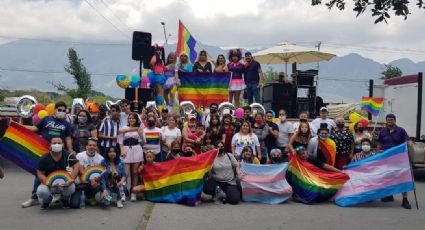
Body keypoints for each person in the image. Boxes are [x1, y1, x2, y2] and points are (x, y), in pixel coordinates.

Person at [22, 101, 74, 208]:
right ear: (54, 110)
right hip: (44, 151)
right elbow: (35, 129)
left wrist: (70, 150)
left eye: (64, 110)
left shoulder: (66, 124)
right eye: (59, 109)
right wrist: (20, 126)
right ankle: (34, 197)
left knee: (61, 173)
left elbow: (68, 138)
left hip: (60, 152)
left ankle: (61, 196)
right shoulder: (46, 119)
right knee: (39, 173)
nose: (62, 112)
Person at [377, 113, 411, 209]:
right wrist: (378, 152)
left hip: (399, 158)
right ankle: (389, 195)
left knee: (402, 178)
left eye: (391, 119)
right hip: (386, 158)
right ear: (386, 121)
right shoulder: (382, 131)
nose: (389, 121)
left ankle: (405, 200)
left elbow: (407, 140)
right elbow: (380, 143)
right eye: (388, 120)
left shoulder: (401, 130)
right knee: (388, 177)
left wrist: (410, 144)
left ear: (395, 120)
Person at [36, 137, 78, 210]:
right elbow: (40, 174)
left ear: (63, 145)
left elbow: (76, 166)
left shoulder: (69, 155)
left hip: (65, 183)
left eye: (59, 143)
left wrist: (71, 179)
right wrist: (48, 183)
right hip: (49, 184)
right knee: (41, 191)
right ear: (50, 145)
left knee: (71, 188)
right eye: (54, 143)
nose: (57, 145)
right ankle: (47, 200)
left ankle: (64, 199)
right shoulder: (44, 158)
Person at [70, 138, 104, 208]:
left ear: (97, 147)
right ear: (86, 146)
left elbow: (100, 173)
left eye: (94, 145)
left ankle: (90, 196)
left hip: (92, 182)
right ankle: (81, 196)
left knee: (97, 184)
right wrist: (90, 180)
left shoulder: (101, 159)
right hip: (80, 182)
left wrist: (96, 180)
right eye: (90, 145)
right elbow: (80, 170)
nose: (92, 147)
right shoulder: (79, 155)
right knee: (74, 204)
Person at [118, 113, 144, 201]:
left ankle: (133, 192)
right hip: (126, 149)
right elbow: (120, 138)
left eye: (133, 118)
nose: (131, 120)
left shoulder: (140, 129)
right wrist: (122, 150)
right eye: (129, 118)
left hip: (137, 149)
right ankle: (124, 192)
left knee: (135, 172)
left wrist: (140, 135)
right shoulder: (124, 127)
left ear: (136, 119)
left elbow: (143, 142)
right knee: (126, 173)